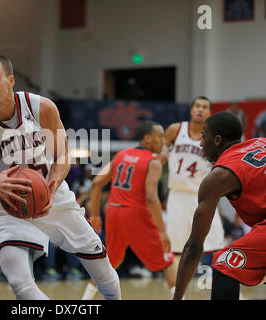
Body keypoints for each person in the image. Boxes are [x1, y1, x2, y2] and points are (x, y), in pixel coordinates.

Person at [0, 54, 121, 300]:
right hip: (9, 207)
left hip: (54, 198)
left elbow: (63, 155)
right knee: (21, 285)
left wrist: (51, 188)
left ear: (11, 81)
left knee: (103, 271)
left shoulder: (41, 108)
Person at [173, 112, 266, 300]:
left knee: (224, 262)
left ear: (217, 140)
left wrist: (177, 298)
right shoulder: (261, 142)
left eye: (203, 135)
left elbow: (194, 246)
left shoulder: (219, 176)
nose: (200, 143)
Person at [81, 121, 176, 300]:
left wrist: (94, 215)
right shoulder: (152, 162)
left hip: (114, 211)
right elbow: (150, 196)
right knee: (167, 259)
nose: (163, 140)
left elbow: (96, 184)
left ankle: (85, 300)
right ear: (147, 139)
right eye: (160, 136)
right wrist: (162, 231)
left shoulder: (121, 155)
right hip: (135, 213)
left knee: (111, 260)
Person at [164, 97, 225, 267]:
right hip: (177, 196)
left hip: (202, 197)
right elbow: (159, 156)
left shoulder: (214, 138)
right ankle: (177, 292)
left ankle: (225, 290)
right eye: (197, 106)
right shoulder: (175, 130)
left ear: (209, 113)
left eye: (204, 107)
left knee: (217, 245)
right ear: (191, 110)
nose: (200, 109)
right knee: (176, 248)